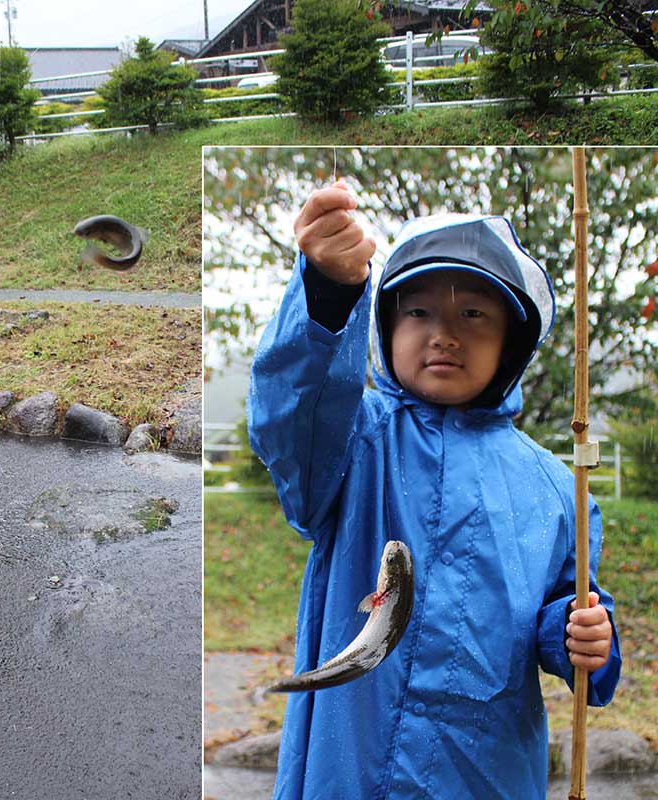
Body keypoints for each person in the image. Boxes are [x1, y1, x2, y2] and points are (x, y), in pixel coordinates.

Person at [247, 182, 621, 799]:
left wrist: (581, 633)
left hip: (487, 774)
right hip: (351, 771)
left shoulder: (560, 489)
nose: (444, 334)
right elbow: (292, 415)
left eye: (474, 314)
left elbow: (566, 601)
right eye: (418, 312)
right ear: (386, 328)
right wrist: (330, 291)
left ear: (511, 343)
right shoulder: (350, 440)